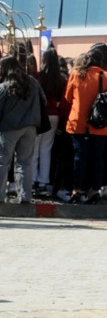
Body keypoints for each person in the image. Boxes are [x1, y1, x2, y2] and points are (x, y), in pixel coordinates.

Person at [62, 44, 107, 204]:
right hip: (100, 126)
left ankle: (78, 189)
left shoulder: (76, 74)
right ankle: (95, 190)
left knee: (79, 158)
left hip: (78, 122)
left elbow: (68, 97)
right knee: (97, 158)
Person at [0, 55, 44, 205]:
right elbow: (43, 100)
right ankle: (25, 196)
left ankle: (0, 196)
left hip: (8, 128)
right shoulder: (33, 82)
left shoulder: (4, 87)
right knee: (25, 162)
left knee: (3, 162)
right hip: (30, 127)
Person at [32, 46, 68, 200]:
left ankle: (32, 179)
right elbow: (63, 100)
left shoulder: (38, 77)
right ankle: (43, 181)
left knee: (34, 149)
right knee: (46, 149)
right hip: (54, 116)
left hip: (40, 115)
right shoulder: (61, 79)